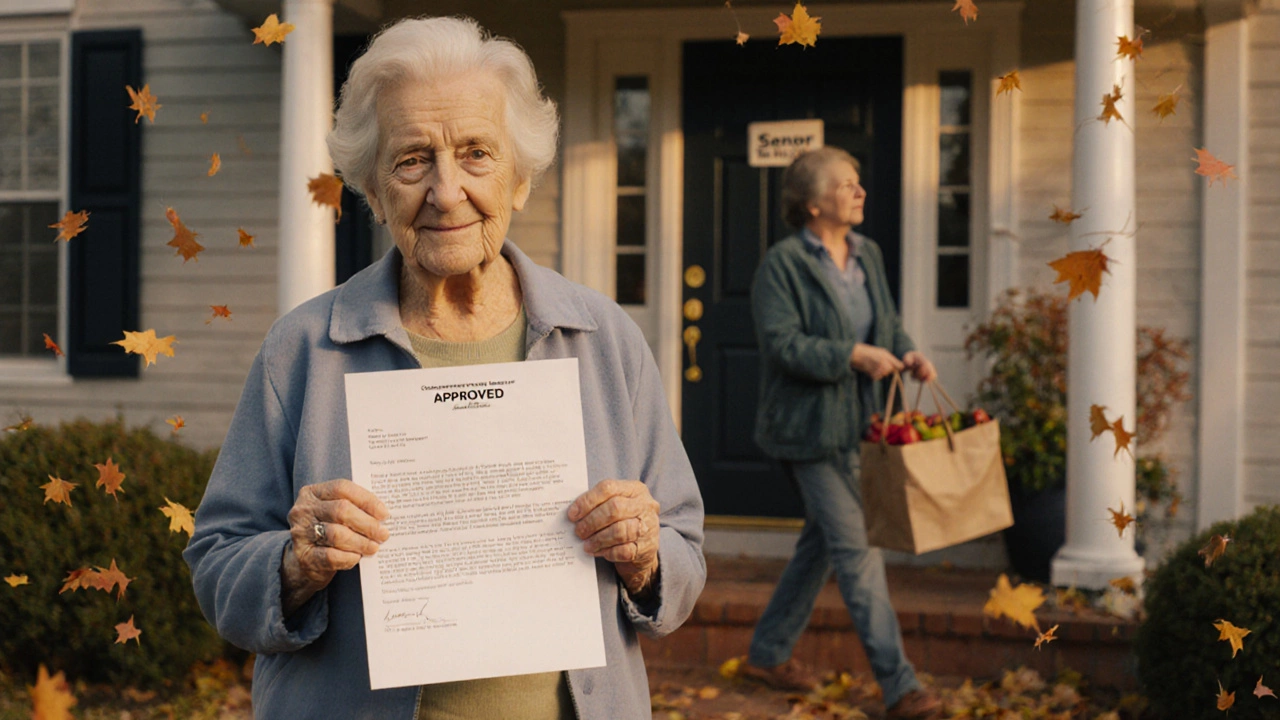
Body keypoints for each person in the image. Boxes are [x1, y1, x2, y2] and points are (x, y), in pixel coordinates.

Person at [183, 16, 705, 720]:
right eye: (412, 160)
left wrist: (643, 556)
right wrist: (295, 559)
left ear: (519, 180)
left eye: (477, 154)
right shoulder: (303, 349)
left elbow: (684, 561)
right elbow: (217, 567)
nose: (447, 190)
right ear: (372, 189)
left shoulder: (604, 339)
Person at [742, 147, 941, 720]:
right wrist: (851, 355)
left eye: (858, 183)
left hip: (860, 424)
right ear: (811, 203)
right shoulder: (782, 266)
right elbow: (782, 346)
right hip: (806, 431)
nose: (859, 192)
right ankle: (901, 688)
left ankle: (768, 652)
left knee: (824, 543)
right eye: (846, 185)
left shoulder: (867, 253)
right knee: (857, 550)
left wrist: (909, 353)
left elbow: (889, 321)